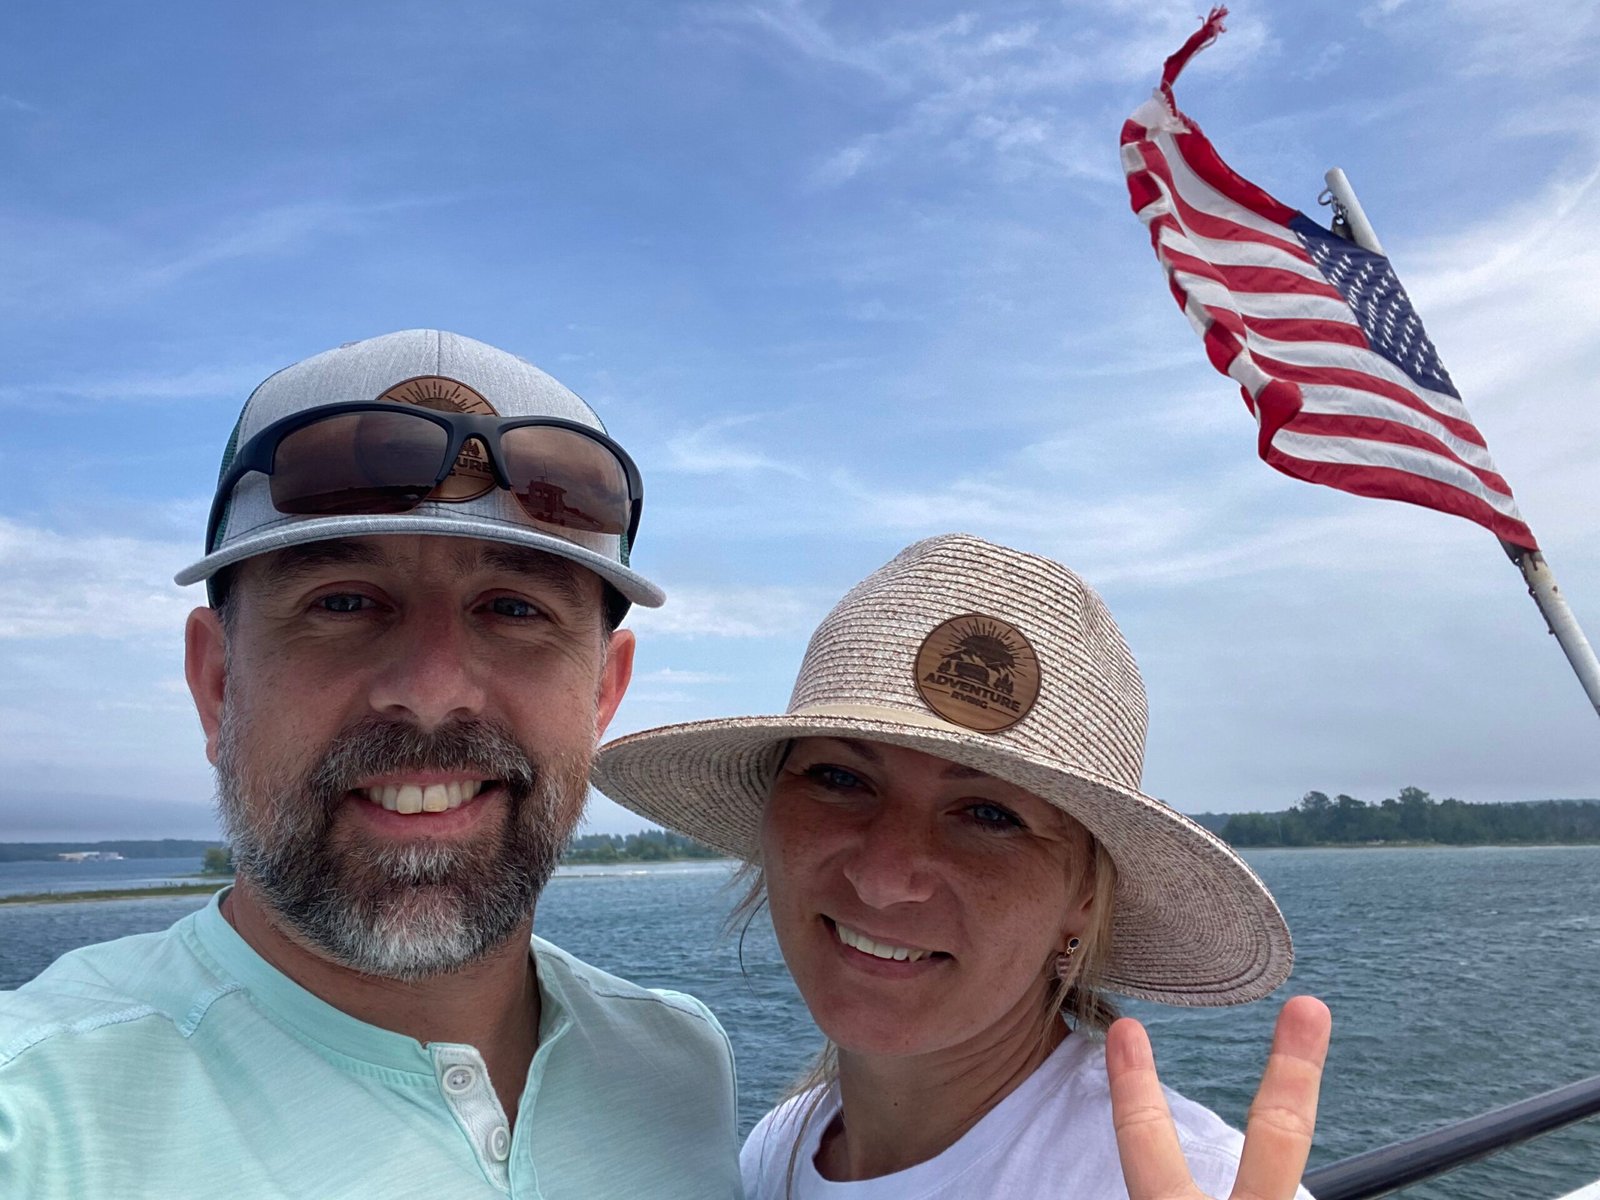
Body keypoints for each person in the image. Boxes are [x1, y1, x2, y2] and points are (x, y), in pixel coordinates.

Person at [0, 330, 742, 1198]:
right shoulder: (39, 1114)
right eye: (344, 602)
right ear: (216, 683)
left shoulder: (679, 1061)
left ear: (603, 695)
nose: (431, 692)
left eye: (513, 608)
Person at [593, 533, 1330, 1199]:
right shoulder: (782, 1149)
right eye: (841, 780)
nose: (885, 877)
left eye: (988, 816)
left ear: (1083, 895)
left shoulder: (1174, 1181)